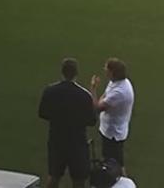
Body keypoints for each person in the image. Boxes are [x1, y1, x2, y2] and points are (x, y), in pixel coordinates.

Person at [38, 58, 95, 188]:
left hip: (56, 141)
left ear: (62, 72)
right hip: (77, 144)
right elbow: (92, 121)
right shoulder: (84, 95)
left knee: (54, 177)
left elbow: (42, 113)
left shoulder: (50, 91)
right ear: (76, 73)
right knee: (79, 181)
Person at [90, 58, 135, 167]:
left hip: (113, 134)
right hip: (110, 130)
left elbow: (96, 108)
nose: (104, 70)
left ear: (112, 72)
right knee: (112, 161)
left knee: (115, 165)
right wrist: (101, 102)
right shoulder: (115, 82)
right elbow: (105, 95)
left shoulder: (119, 92)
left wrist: (93, 88)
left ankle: (123, 183)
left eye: (106, 69)